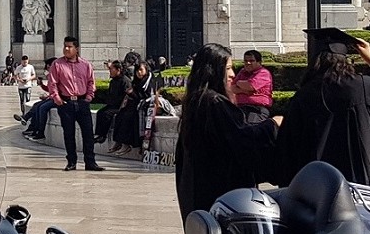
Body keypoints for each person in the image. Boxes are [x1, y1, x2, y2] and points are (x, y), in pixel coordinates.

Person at [275, 27, 370, 186]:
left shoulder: (303, 95)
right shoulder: (361, 87)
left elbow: (287, 147)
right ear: (345, 61)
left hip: (318, 184)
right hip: (360, 182)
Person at [175, 43, 280, 220]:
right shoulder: (215, 103)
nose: (232, 74)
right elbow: (241, 139)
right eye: (228, 68)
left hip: (198, 192)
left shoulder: (196, 101)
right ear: (214, 70)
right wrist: (272, 125)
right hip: (221, 194)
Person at [45, 36, 102, 172]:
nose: (66, 49)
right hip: (66, 103)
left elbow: (91, 82)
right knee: (69, 134)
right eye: (65, 46)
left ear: (77, 49)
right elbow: (52, 83)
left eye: (70, 46)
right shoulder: (57, 64)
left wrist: (89, 96)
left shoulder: (86, 65)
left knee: (88, 133)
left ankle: (90, 162)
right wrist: (57, 99)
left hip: (82, 102)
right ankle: (71, 161)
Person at [109, 60, 158, 157]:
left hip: (145, 105)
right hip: (135, 105)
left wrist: (132, 93)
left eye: (141, 70)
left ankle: (126, 144)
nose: (139, 72)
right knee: (120, 115)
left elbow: (147, 96)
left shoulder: (149, 81)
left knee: (128, 117)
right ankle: (118, 141)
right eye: (137, 70)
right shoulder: (136, 81)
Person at [230, 49, 274, 123]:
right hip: (240, 108)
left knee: (252, 128)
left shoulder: (263, 73)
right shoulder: (242, 72)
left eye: (251, 61)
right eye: (245, 61)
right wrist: (244, 91)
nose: (248, 63)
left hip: (256, 110)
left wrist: (238, 83)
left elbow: (250, 86)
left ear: (259, 62)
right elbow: (232, 88)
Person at [95, 60, 128, 144]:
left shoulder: (125, 81)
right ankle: (99, 135)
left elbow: (126, 97)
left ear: (118, 70)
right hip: (113, 104)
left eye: (111, 69)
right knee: (100, 112)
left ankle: (103, 135)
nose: (110, 71)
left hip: (121, 106)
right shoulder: (113, 81)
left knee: (106, 114)